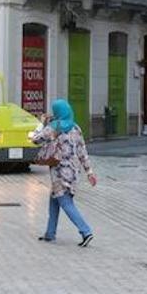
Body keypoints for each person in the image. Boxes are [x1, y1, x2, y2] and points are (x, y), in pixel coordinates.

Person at [33, 99, 97, 247]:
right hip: (73, 171)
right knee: (54, 201)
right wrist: (89, 172)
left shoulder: (54, 127)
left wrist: (41, 123)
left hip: (59, 172)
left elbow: (35, 139)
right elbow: (82, 152)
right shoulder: (76, 128)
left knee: (66, 202)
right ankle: (50, 233)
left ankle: (86, 231)